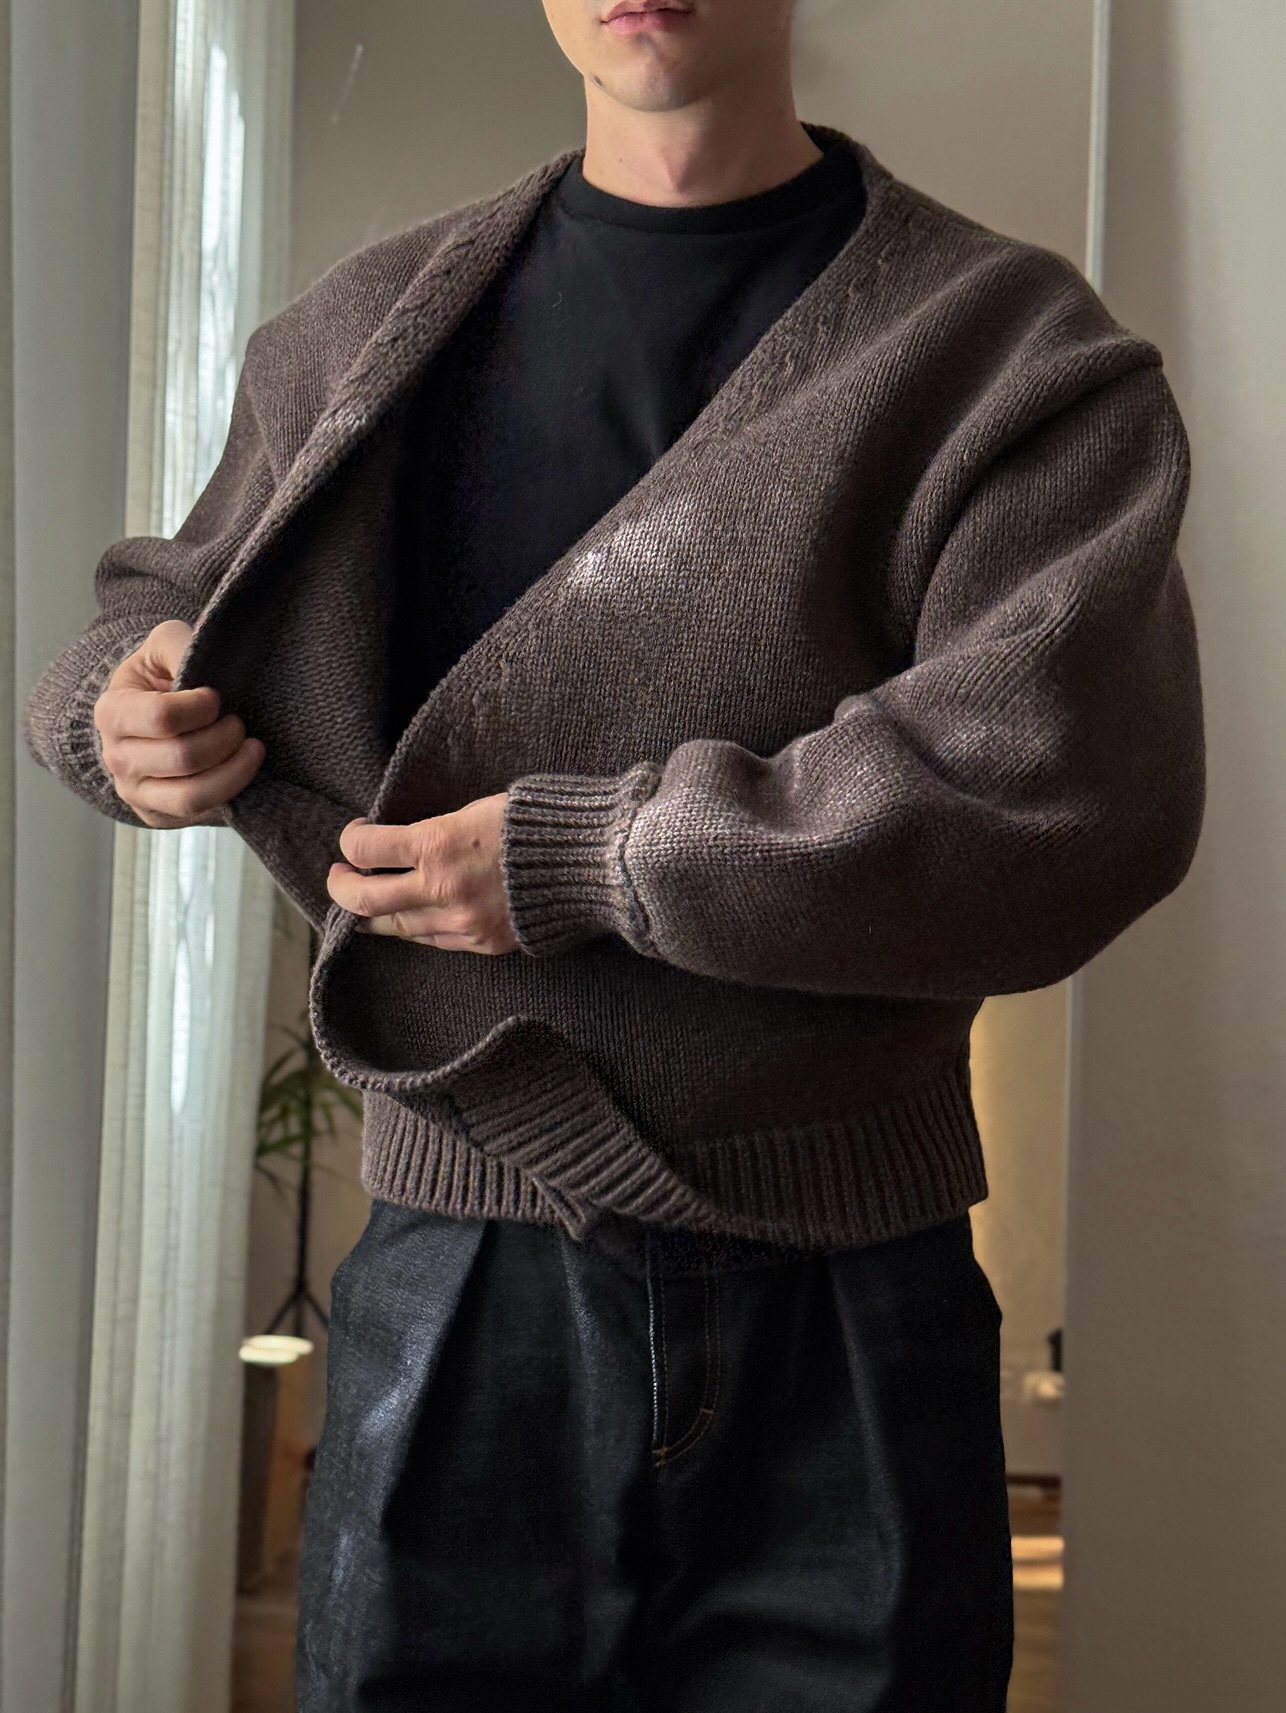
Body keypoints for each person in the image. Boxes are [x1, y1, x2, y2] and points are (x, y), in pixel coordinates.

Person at [25, 1, 1206, 1707]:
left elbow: (1070, 788)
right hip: (452, 1278)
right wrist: (108, 713)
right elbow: (162, 599)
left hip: (848, 1300)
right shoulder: (361, 330)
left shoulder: (1010, 355)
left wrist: (595, 856)